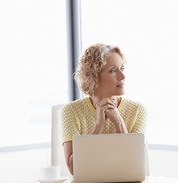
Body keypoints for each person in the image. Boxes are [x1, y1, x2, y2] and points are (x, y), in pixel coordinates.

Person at [61, 43, 147, 175]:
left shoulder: (137, 110)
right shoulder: (71, 111)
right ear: (93, 76)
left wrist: (119, 123)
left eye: (122, 68)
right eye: (113, 70)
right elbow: (73, 168)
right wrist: (97, 126)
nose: (122, 76)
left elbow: (135, 164)